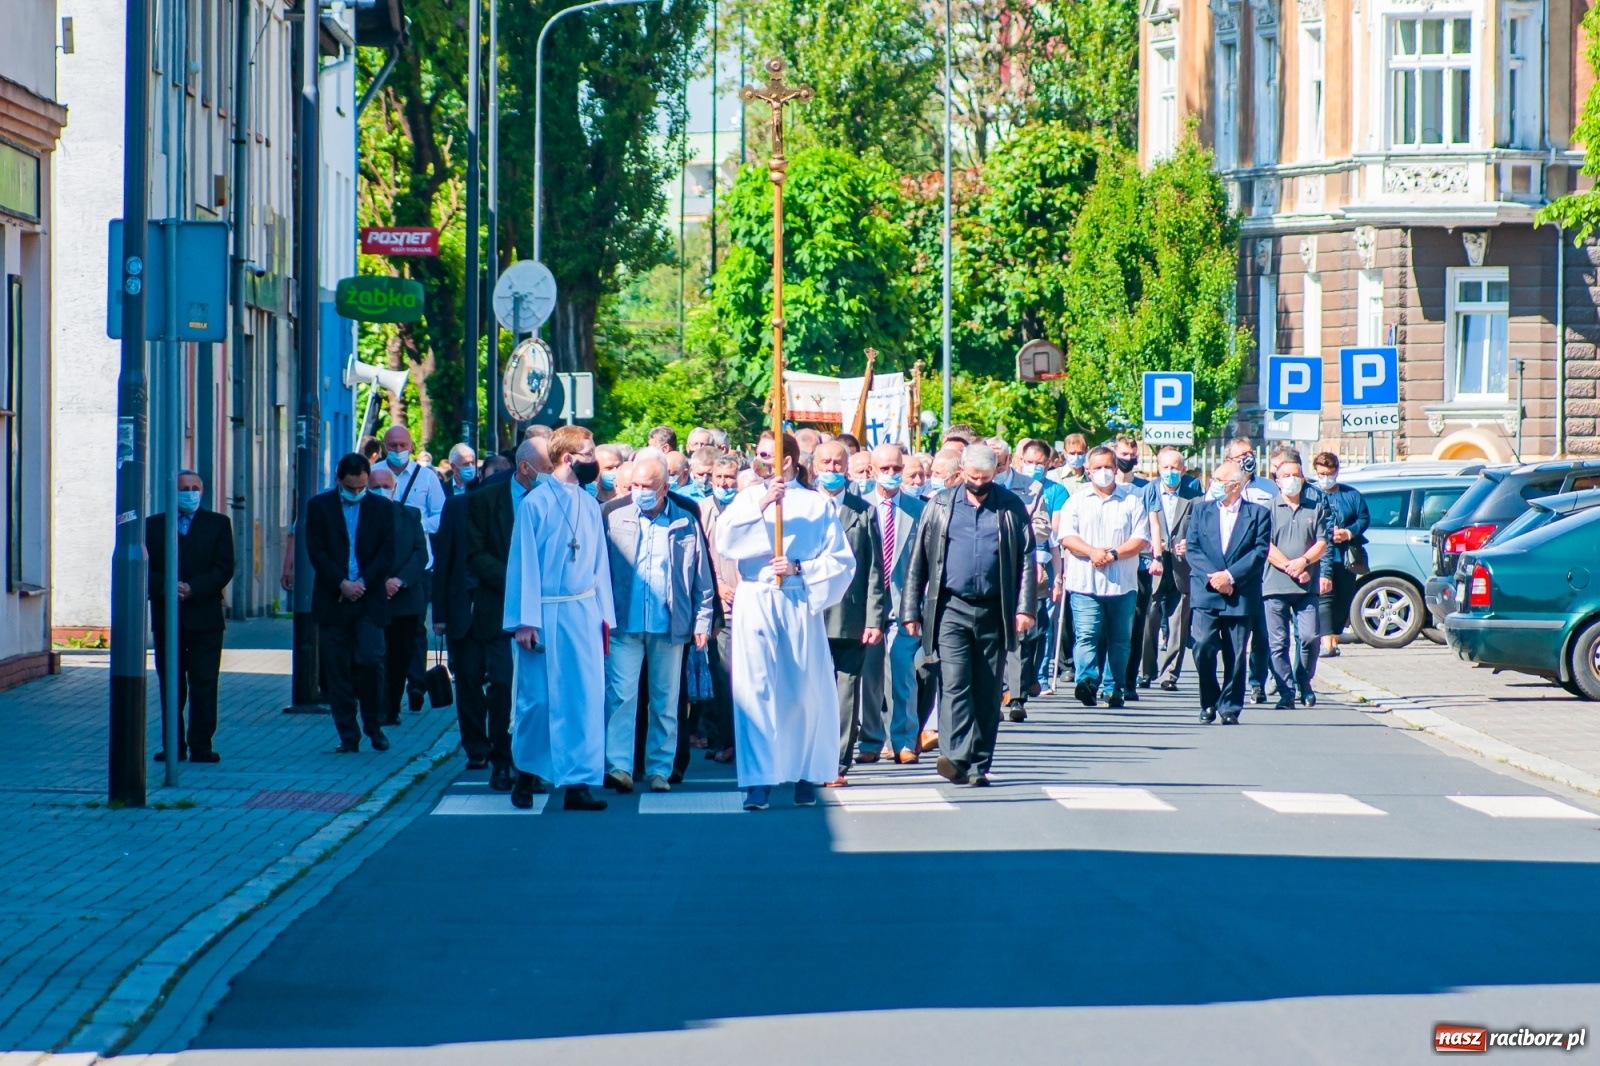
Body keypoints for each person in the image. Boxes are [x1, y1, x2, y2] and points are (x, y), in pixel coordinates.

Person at [716, 432, 856, 811]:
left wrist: (800, 567)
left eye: (768, 456)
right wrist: (762, 502)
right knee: (755, 688)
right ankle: (758, 780)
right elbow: (725, 541)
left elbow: (842, 561)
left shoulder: (815, 504)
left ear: (789, 461)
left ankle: (805, 773)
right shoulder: (747, 497)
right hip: (756, 597)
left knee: (802, 687)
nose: (761, 462)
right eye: (759, 455)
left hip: (796, 598)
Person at [903, 444, 1036, 786]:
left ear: (995, 473)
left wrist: (1025, 609)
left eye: (986, 478)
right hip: (950, 608)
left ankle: (978, 764)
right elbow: (918, 560)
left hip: (994, 609)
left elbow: (1026, 560)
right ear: (961, 471)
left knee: (987, 690)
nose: (979, 483)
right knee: (955, 681)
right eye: (973, 477)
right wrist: (910, 609)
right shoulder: (940, 505)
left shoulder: (1010, 507)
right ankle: (955, 755)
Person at [504, 425, 615, 811]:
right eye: (589, 452)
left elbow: (599, 563)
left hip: (584, 610)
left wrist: (606, 618)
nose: (594, 459)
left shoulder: (588, 503)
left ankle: (578, 783)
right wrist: (524, 620)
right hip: (546, 611)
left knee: (583, 697)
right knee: (537, 698)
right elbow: (523, 566)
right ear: (568, 458)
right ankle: (526, 773)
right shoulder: (535, 504)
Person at [601, 456, 715, 793]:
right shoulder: (614, 517)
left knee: (665, 702)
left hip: (669, 626)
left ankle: (659, 770)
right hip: (625, 625)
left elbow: (701, 579)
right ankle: (619, 766)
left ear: (665, 487)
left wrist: (702, 620)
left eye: (647, 487)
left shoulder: (684, 520)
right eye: (635, 485)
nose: (639, 492)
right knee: (621, 697)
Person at [464, 442, 546, 791]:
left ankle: (535, 764)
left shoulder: (555, 499)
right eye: (545, 466)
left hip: (545, 609)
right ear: (525, 468)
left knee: (539, 692)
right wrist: (516, 580)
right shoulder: (486, 499)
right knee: (501, 685)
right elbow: (475, 553)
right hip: (498, 607)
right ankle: (502, 760)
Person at [305, 453, 396, 752]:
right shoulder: (319, 507)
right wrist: (341, 582)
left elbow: (386, 552)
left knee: (371, 659)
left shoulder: (381, 508)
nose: (356, 493)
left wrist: (363, 583)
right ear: (338, 481)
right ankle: (348, 733)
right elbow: (316, 551)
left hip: (368, 599)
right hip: (334, 599)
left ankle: (374, 723)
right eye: (350, 487)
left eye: (361, 487)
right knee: (337, 669)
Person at [810, 440, 888, 780]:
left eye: (836, 463)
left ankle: (837, 761)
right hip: (808, 614)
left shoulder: (863, 510)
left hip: (849, 616)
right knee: (810, 690)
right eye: (824, 463)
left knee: (845, 689)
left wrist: (875, 618)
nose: (830, 469)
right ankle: (806, 757)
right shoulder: (801, 508)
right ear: (814, 467)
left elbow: (873, 570)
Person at [147, 470, 234, 763]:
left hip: (205, 616)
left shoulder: (218, 524)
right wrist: (167, 587)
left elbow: (224, 567)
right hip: (167, 617)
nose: (190, 492)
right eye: (184, 488)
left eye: (195, 488)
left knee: (205, 682)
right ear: (173, 493)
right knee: (171, 682)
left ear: (203, 491)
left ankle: (201, 744)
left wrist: (194, 588)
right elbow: (145, 567)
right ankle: (173, 744)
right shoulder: (154, 526)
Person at [1058, 447, 1151, 708]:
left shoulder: (1132, 501)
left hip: (1122, 584)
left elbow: (1140, 539)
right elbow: (1066, 537)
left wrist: (1111, 554)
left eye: (1108, 467)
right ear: (1088, 471)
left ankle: (1114, 688)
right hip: (1085, 583)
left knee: (1120, 640)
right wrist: (1092, 552)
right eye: (1097, 468)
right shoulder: (1075, 502)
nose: (1103, 472)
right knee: (1087, 634)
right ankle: (1086, 682)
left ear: (1116, 468)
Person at [1185, 461, 1272, 725]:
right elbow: (1193, 548)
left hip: (1240, 592)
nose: (1214, 484)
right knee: (1202, 645)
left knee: (1235, 653)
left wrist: (1231, 576)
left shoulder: (1258, 514)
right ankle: (1208, 701)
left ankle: (1230, 706)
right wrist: (1215, 579)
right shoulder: (1201, 511)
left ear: (1235, 486)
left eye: (1220, 480)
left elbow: (1259, 551)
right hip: (1206, 590)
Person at [856, 443, 924, 762]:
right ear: (871, 471)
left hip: (904, 607)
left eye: (897, 469)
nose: (892, 474)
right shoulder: (858, 508)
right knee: (869, 677)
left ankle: (905, 740)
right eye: (885, 469)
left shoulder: (919, 509)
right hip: (867, 608)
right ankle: (870, 740)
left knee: (903, 672)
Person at [380, 424, 446, 712]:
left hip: (419, 564)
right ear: (384, 446)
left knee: (416, 627)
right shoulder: (377, 473)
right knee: (386, 629)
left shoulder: (427, 477)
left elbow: (440, 514)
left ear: (411, 445)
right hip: (381, 568)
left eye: (402, 445)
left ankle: (417, 682)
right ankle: (386, 688)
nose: (397, 451)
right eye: (392, 446)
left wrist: (417, 525)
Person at [1262, 458, 1331, 708]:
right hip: (1275, 586)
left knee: (1310, 636)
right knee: (1278, 642)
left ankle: (1304, 680)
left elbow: (1322, 543)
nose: (1292, 479)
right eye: (1287, 475)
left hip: (1306, 586)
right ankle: (1286, 689)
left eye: (1296, 475)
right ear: (1277, 481)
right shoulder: (1267, 509)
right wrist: (1291, 568)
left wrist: (1303, 562)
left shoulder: (1316, 508)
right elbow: (1265, 546)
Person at [1008, 439, 1069, 710]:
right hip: (1013, 568)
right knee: (1019, 631)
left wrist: (1057, 575)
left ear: (1049, 464)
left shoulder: (1051, 491)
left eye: (1039, 463)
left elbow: (1052, 535)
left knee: (1037, 628)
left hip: (1040, 567)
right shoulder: (1006, 487)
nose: (1033, 468)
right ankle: (1017, 688)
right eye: (1029, 462)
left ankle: (1035, 675)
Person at [368, 464, 430, 727]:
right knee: (373, 657)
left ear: (394, 489)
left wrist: (399, 580)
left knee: (400, 658)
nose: (382, 490)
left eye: (386, 486)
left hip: (405, 600)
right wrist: (379, 581)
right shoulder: (362, 518)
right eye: (375, 486)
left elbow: (420, 554)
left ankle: (392, 708)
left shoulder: (410, 515)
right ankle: (377, 707)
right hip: (372, 597)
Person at [1222, 436, 1277, 703]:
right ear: (1229, 460)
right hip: (1231, 571)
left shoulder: (1269, 488)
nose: (1248, 458)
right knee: (1234, 634)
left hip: (1263, 569)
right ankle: (1232, 682)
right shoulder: (1220, 488)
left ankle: (1257, 682)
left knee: (1262, 633)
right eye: (1242, 454)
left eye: (1251, 453)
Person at [697, 454, 744, 764]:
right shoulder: (702, 511)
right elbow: (699, 555)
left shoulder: (749, 507)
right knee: (724, 678)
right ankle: (726, 741)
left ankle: (747, 742)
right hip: (720, 611)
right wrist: (717, 587)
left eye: (730, 479)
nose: (725, 484)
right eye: (720, 479)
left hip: (749, 603)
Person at [1144, 447, 1198, 691]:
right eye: (1165, 467)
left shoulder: (1194, 496)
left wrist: (1191, 544)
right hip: (1153, 563)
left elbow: (1202, 528)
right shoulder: (1146, 492)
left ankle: (1170, 674)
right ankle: (1147, 670)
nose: (1170, 472)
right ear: (1158, 469)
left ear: (1183, 470)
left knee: (1178, 621)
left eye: (1174, 467)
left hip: (1181, 566)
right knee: (1149, 617)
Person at [1311, 451, 1369, 657]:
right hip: (1320, 555)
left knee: (1343, 598)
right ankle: (1326, 643)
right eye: (1321, 473)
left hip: (1345, 556)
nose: (1325, 478)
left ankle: (1334, 639)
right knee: (1325, 596)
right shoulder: (1312, 494)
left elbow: (1363, 519)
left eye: (1329, 473)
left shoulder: (1351, 495)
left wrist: (1348, 532)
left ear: (1336, 471)